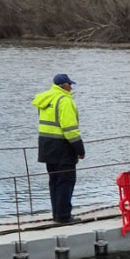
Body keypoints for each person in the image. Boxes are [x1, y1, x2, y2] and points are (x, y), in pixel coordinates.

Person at [32, 73, 85, 223]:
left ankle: (56, 214)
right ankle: (64, 216)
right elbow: (70, 130)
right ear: (64, 86)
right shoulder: (64, 101)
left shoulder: (46, 99)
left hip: (46, 146)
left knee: (54, 181)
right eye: (70, 84)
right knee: (66, 182)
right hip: (63, 147)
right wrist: (80, 150)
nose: (71, 87)